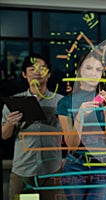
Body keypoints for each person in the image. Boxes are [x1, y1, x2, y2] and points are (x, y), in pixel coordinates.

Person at [56, 50, 106, 200]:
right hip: (75, 165)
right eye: (89, 68)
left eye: (98, 69)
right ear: (79, 71)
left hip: (102, 166)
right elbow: (72, 145)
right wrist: (80, 116)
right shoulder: (65, 103)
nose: (94, 73)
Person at [1, 53, 63, 200]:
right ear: (24, 74)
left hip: (51, 170)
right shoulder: (14, 102)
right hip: (23, 170)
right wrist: (10, 123)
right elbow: (4, 135)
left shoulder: (61, 102)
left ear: (48, 74)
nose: (37, 71)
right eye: (32, 68)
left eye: (42, 68)